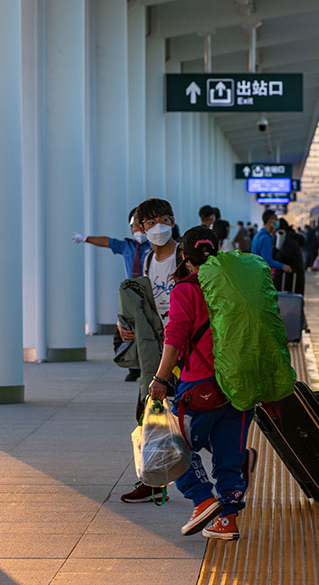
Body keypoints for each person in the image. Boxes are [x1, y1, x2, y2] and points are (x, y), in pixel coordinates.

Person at [147, 226, 255, 541]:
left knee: (171, 445)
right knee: (228, 456)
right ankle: (227, 521)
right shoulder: (237, 284)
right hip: (240, 385)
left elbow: (176, 336)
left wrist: (160, 378)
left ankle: (202, 499)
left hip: (201, 386)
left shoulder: (186, 289)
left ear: (185, 255)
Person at [119, 198, 181, 505]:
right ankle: (152, 479)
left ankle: (237, 460)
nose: (158, 227)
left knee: (190, 416)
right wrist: (126, 324)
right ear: (140, 228)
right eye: (150, 222)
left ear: (172, 220)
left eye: (164, 219)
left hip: (187, 346)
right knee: (151, 412)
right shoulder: (146, 260)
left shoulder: (184, 255)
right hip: (156, 346)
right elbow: (143, 301)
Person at [72, 207, 151, 382]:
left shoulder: (154, 246)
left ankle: (149, 366)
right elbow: (107, 242)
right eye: (134, 226)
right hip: (131, 294)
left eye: (141, 226)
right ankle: (133, 367)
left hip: (150, 293)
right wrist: (86, 239)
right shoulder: (126, 246)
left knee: (149, 330)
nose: (137, 229)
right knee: (127, 331)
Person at [251, 210, 291, 285]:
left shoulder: (257, 235)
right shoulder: (266, 238)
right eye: (275, 219)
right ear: (270, 220)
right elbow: (266, 261)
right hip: (262, 276)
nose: (277, 222)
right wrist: (282, 266)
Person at [274, 218, 305, 294]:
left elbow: (283, 256)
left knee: (289, 302)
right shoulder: (291, 237)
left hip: (290, 278)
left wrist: (274, 253)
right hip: (293, 276)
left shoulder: (289, 239)